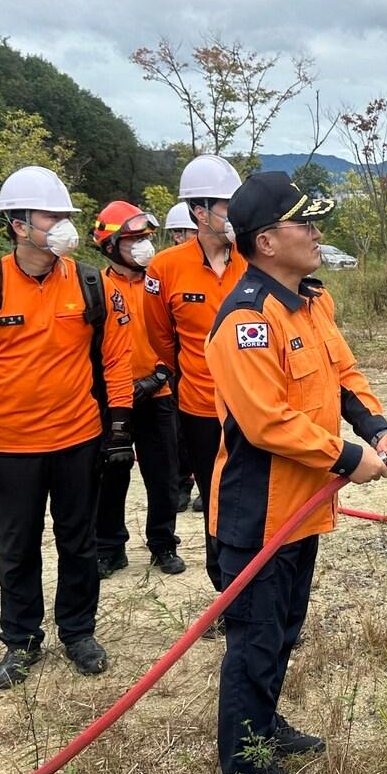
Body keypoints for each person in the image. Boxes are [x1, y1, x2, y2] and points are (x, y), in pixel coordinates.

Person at [206, 171, 387, 774]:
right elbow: (266, 419)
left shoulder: (311, 300)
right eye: (306, 223)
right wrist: (348, 457)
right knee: (256, 640)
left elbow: (343, 374)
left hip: (305, 508)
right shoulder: (245, 318)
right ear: (267, 241)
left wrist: (377, 431)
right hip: (258, 512)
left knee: (285, 628)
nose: (318, 232)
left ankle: (265, 726)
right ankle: (243, 771)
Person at [0, 165, 135, 690]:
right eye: (52, 216)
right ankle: (21, 641)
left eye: (65, 216)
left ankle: (78, 633)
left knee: (79, 543)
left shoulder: (93, 284)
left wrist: (119, 428)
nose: (63, 226)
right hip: (10, 449)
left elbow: (117, 360)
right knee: (18, 547)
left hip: (80, 441)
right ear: (18, 224)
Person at [143, 155, 247, 593]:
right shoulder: (165, 269)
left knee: (260, 502)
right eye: (227, 205)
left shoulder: (257, 258)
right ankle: (226, 593)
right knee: (216, 505)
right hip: (202, 410)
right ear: (199, 212)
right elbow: (162, 340)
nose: (236, 214)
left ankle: (259, 594)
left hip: (258, 409)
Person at [90, 200, 186, 577]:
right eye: (133, 239)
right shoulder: (94, 287)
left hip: (159, 394)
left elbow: (180, 335)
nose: (144, 245)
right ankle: (110, 549)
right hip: (111, 400)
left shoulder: (159, 283)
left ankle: (163, 544)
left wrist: (160, 377)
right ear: (111, 245)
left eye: (147, 237)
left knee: (163, 476)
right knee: (110, 475)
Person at [161, 198, 200, 512]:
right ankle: (180, 484)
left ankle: (205, 486)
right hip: (178, 366)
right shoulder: (167, 266)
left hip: (208, 367)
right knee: (179, 434)